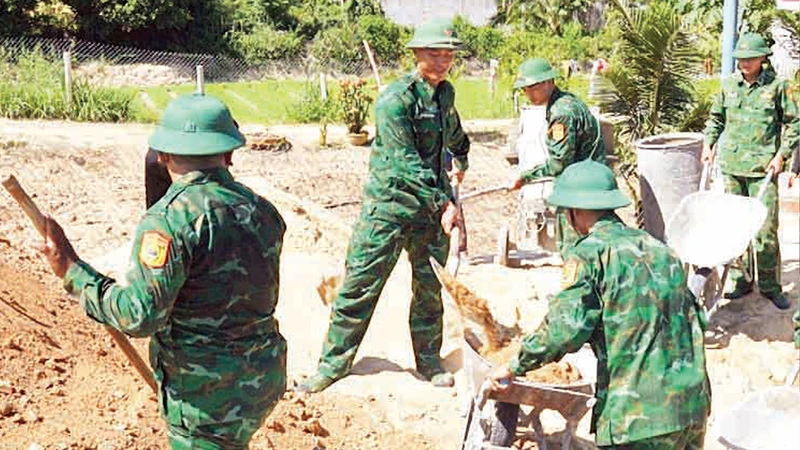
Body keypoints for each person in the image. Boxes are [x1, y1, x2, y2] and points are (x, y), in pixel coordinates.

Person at [36, 94, 288, 449]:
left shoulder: (169, 221)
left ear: (164, 154)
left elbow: (140, 316)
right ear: (229, 153)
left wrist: (74, 271)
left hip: (206, 398)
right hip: (262, 379)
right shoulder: (262, 210)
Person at [296, 17, 470, 393]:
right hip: (389, 209)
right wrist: (444, 204)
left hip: (429, 213)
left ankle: (428, 362)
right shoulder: (395, 99)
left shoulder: (445, 94)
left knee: (429, 290)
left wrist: (463, 156)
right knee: (359, 285)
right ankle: (332, 365)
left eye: (447, 55)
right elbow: (405, 163)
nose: (441, 61)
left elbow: (453, 132)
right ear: (416, 55)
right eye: (433, 54)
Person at [489, 160, 711, 449]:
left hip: (638, 418)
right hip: (692, 407)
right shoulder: (661, 250)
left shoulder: (590, 255)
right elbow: (695, 319)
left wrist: (515, 365)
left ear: (574, 212)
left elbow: (564, 328)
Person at [702, 32, 800, 310]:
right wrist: (708, 144)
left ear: (762, 58)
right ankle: (741, 280)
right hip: (732, 168)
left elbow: (795, 124)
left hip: (763, 170)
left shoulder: (778, 87)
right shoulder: (728, 86)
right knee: (736, 227)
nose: (744, 63)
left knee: (765, 229)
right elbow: (716, 119)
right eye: (740, 59)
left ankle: (770, 286)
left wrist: (782, 155)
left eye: (750, 58)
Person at [508, 58, 606, 254]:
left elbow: (559, 163)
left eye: (533, 87)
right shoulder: (563, 103)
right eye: (525, 88)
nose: (529, 93)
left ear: (549, 83)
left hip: (582, 187)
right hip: (589, 180)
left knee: (573, 248)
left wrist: (525, 177)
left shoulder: (561, 113)